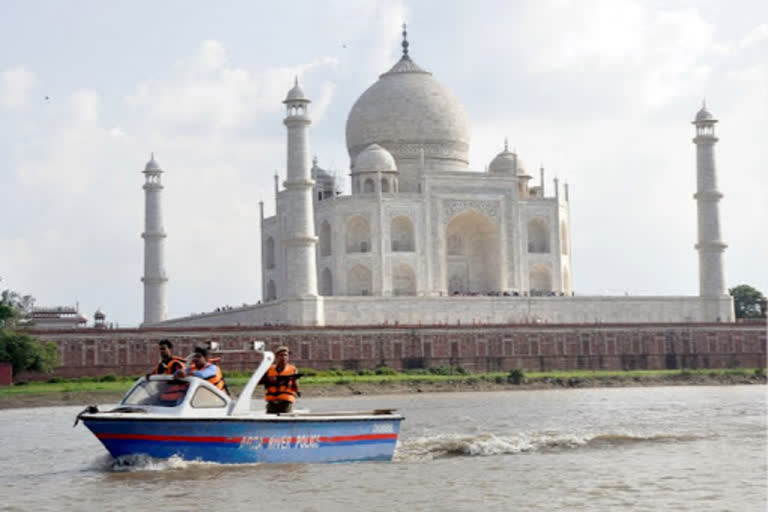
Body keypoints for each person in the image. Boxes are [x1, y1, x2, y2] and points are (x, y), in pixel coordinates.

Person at [261, 346, 300, 414]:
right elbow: (259, 381)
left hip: (286, 403)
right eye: (281, 355)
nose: (283, 357)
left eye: (286, 355)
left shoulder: (293, 370)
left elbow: (296, 386)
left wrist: (296, 390)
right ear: (276, 357)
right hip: (272, 403)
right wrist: (269, 380)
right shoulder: (269, 369)